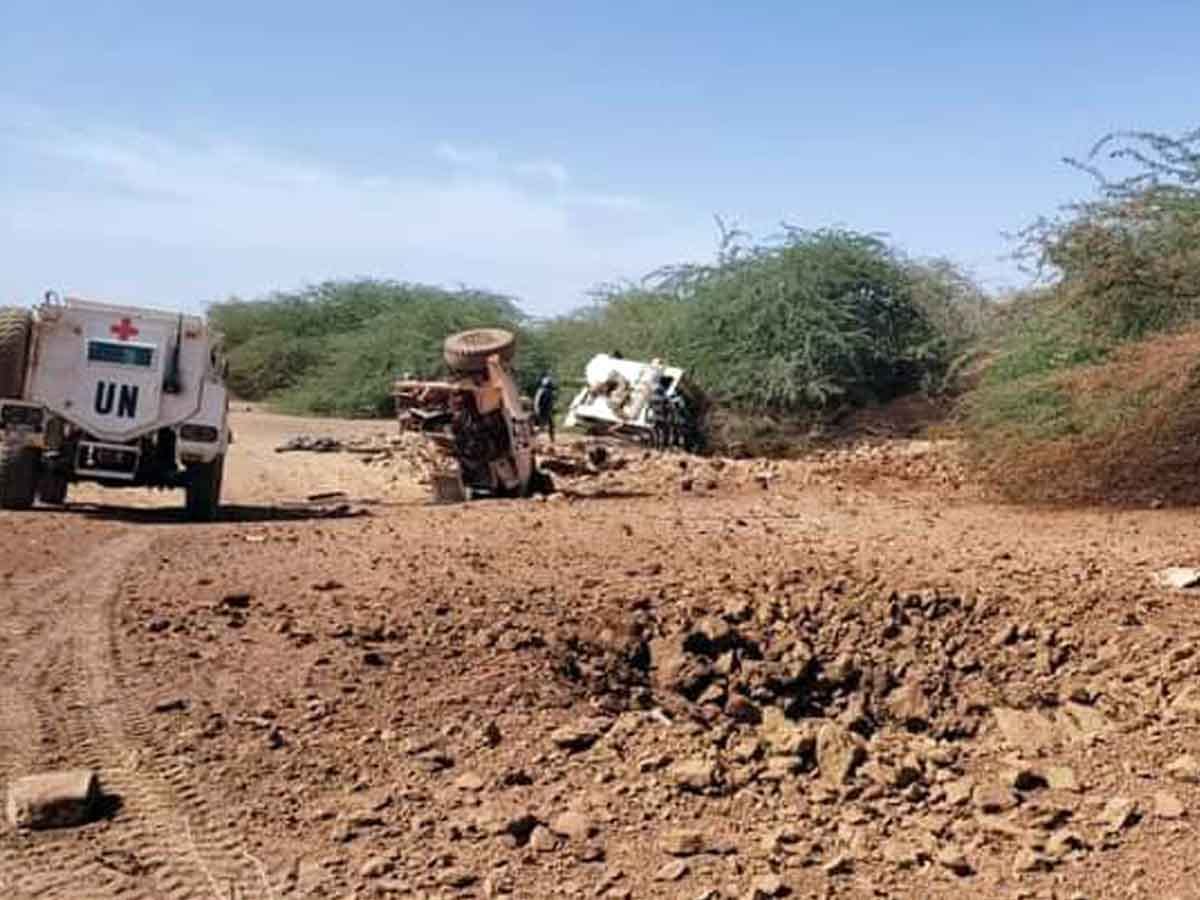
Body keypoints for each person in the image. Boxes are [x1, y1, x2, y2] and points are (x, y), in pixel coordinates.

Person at [648, 375, 673, 450]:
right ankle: (661, 449)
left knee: (656, 433)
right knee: (663, 434)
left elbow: (649, 406)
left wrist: (647, 417)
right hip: (662, 417)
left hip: (654, 417)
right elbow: (669, 408)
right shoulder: (664, 396)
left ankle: (655, 448)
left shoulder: (653, 395)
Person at [533, 374, 558, 442]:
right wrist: (538, 411)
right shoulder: (543, 391)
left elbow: (550, 402)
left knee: (551, 425)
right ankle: (533, 437)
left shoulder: (546, 391)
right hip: (543, 411)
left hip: (547, 411)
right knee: (542, 427)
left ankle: (552, 439)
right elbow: (537, 402)